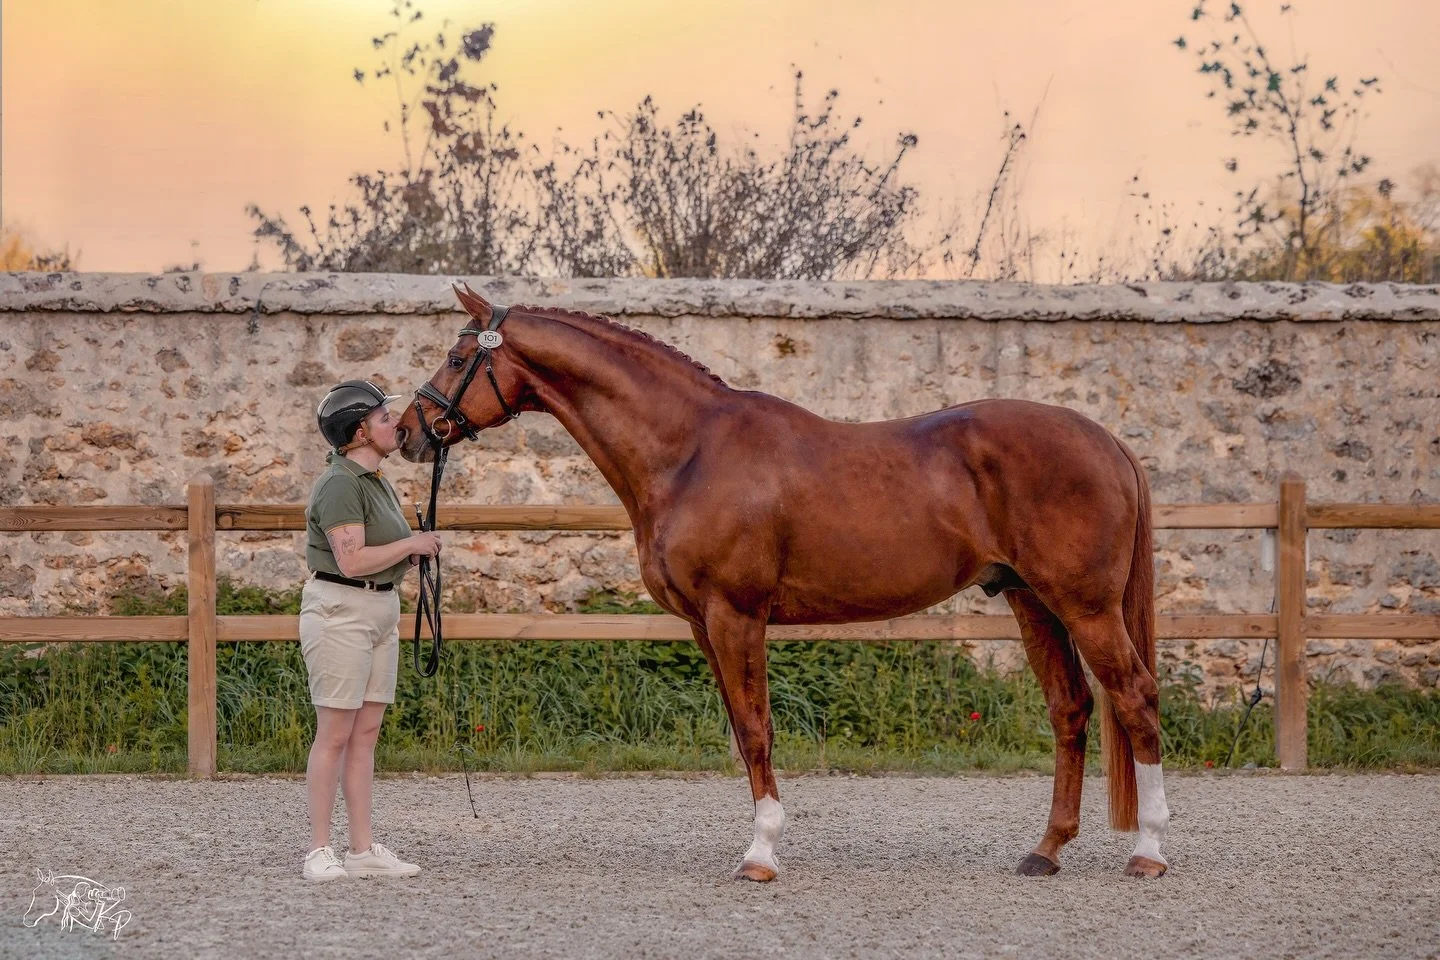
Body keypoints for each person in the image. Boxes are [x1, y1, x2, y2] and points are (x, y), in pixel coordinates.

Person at [299, 380, 441, 882]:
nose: (395, 424)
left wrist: (414, 547)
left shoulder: (375, 479)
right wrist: (413, 546)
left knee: (366, 734)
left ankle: (361, 849)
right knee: (334, 734)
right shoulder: (340, 484)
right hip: (341, 609)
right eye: (384, 418)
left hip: (380, 611)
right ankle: (319, 848)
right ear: (359, 431)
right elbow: (352, 559)